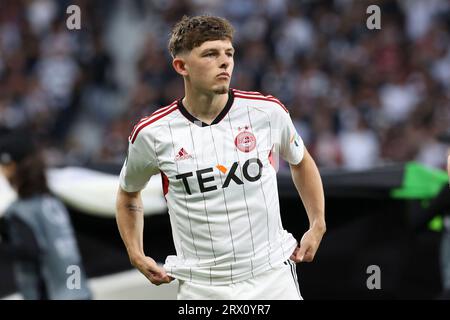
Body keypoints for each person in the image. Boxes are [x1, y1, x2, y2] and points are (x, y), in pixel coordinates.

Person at [116, 15, 326, 300]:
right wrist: (135, 253)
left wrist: (317, 223)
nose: (224, 62)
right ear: (181, 66)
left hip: (271, 276)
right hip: (202, 287)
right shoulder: (153, 134)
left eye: (229, 53)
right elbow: (129, 195)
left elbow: (300, 161)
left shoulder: (267, 113)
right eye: (210, 54)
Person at [0, 130, 91, 300]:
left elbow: (31, 252)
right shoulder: (53, 202)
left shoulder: (21, 211)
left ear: (10, 166)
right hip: (80, 291)